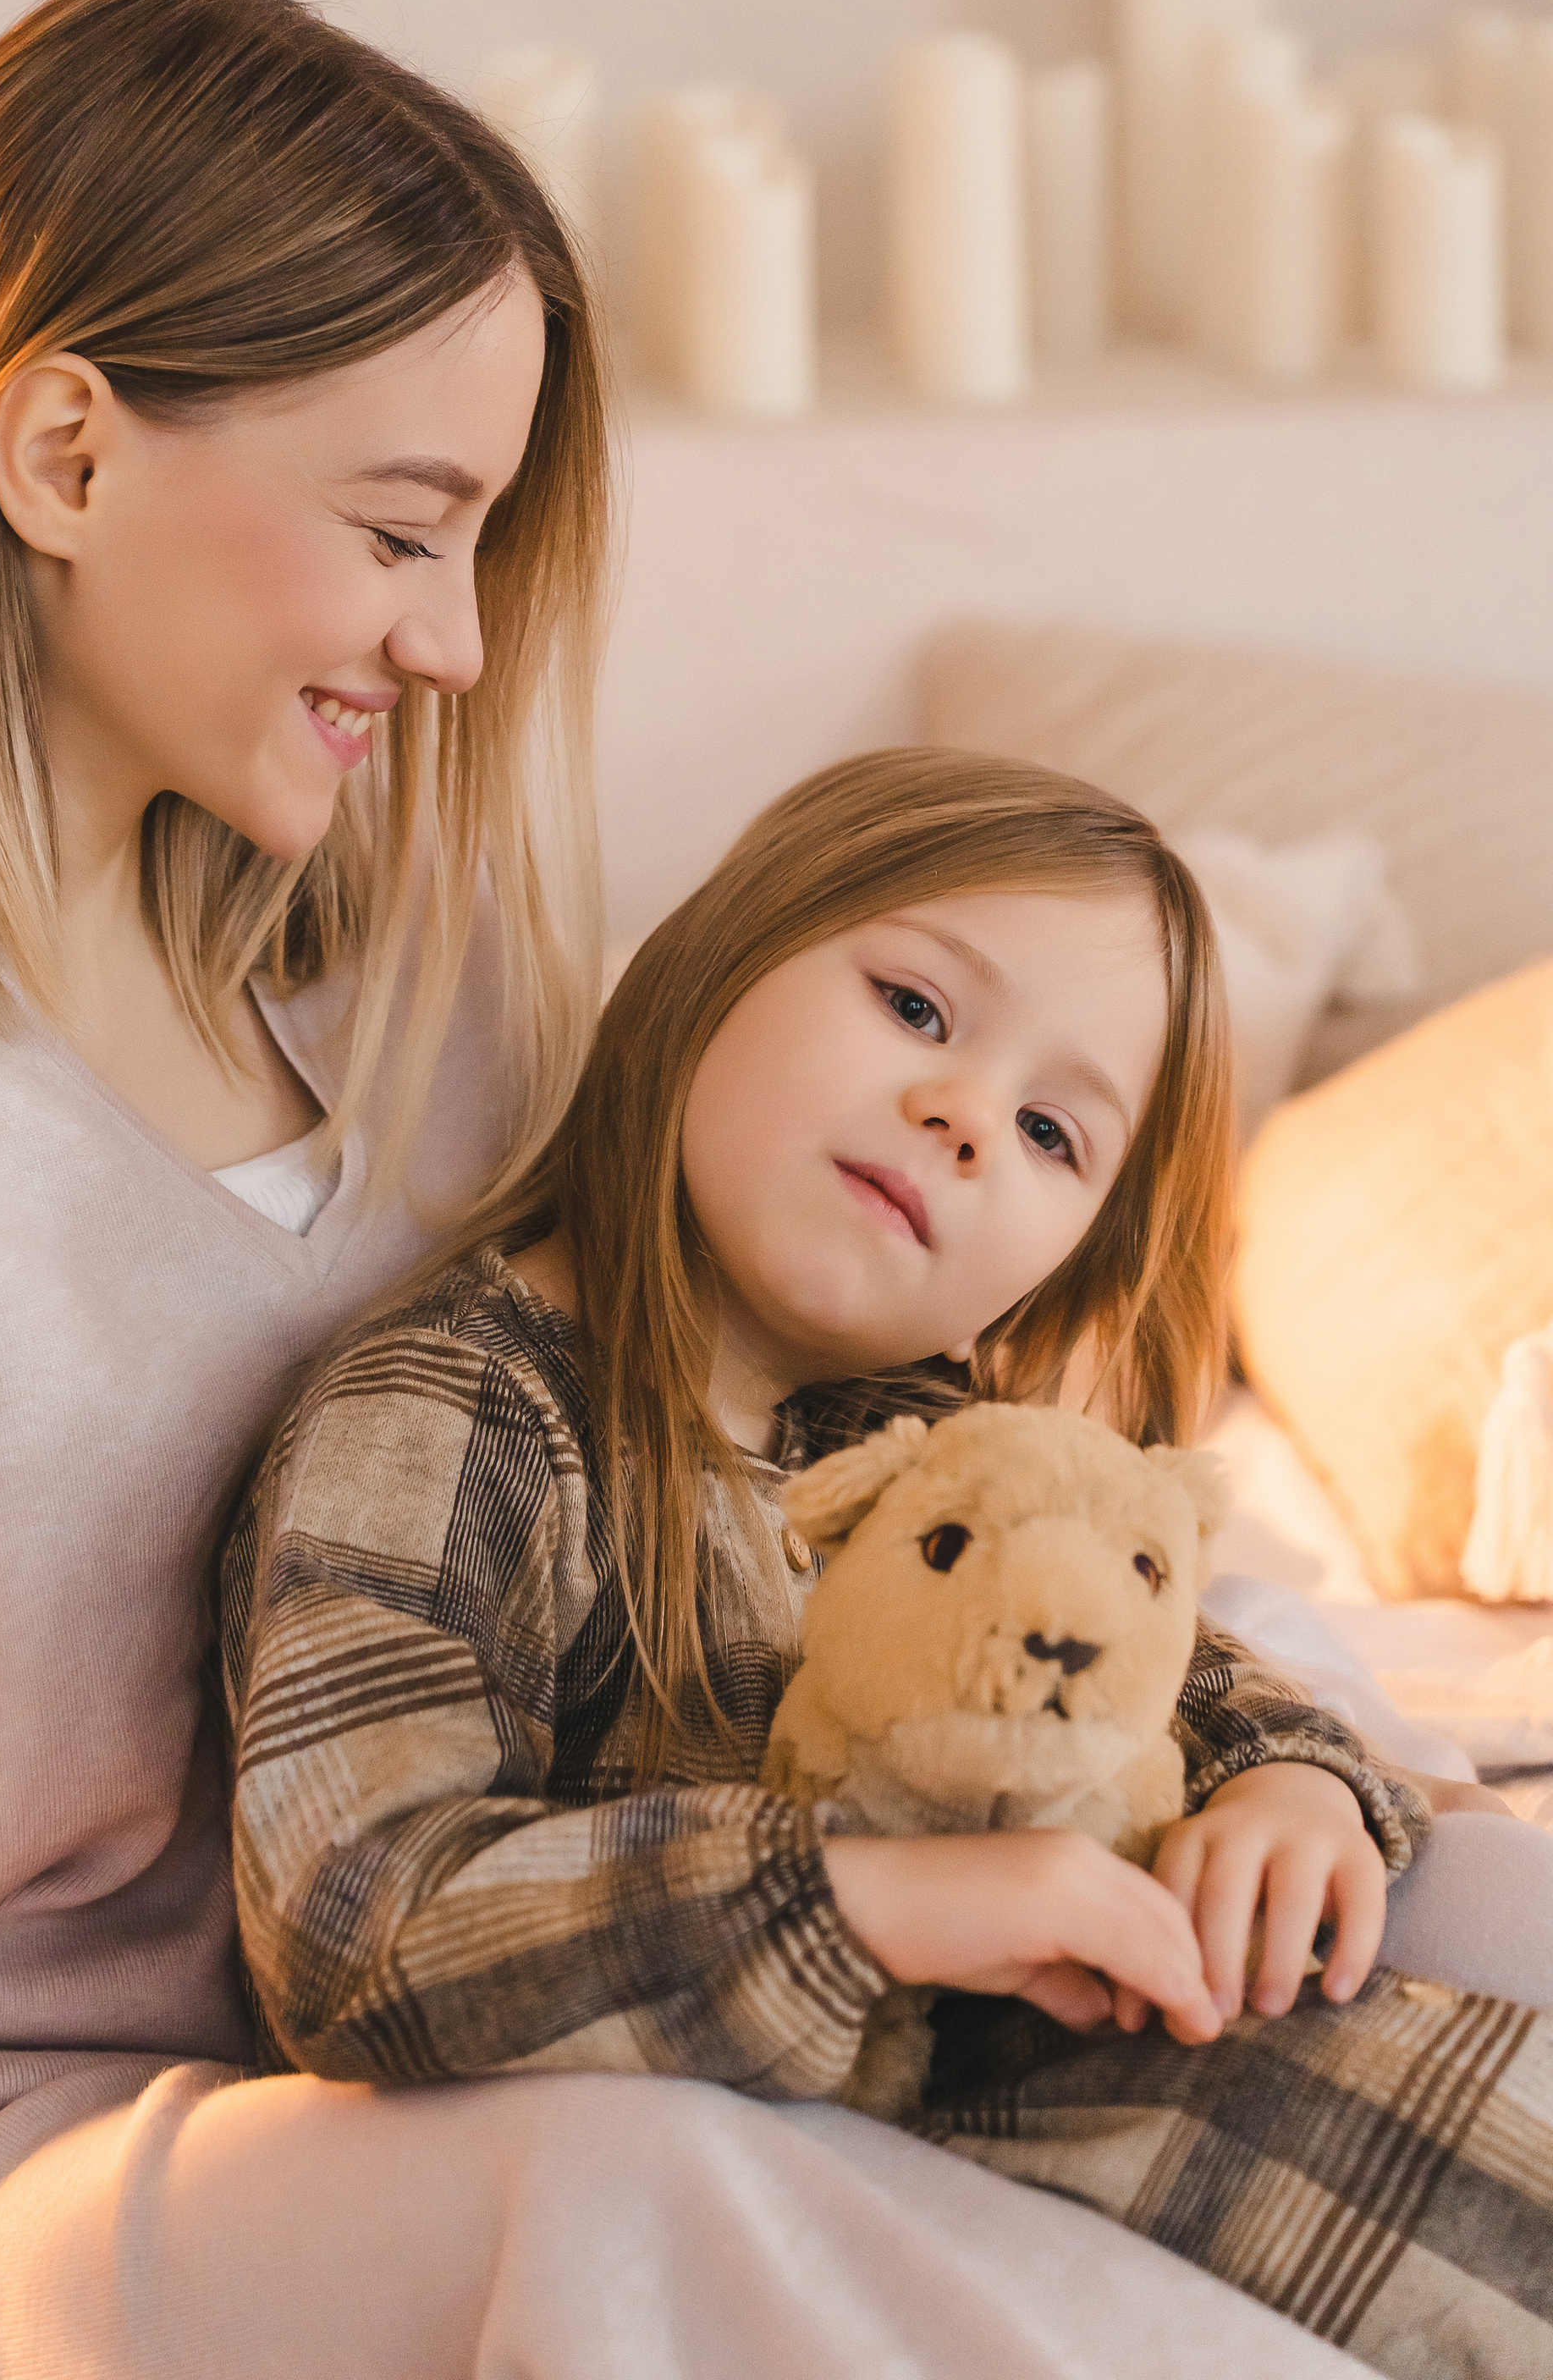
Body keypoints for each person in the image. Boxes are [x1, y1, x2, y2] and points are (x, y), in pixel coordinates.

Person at [0, 0, 1454, 2380]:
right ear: (62, 459)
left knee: (1442, 1916)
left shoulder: (417, 995)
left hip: (454, 2030)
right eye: (401, 530)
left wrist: (1290, 1772)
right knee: (639, 2192)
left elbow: (847, 1485)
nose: (457, 643)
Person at [226, 749, 1553, 2377]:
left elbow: (1157, 1651)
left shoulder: (935, 1437)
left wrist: (1295, 1779)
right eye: (917, 1008)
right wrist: (870, 1898)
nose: (965, 1118)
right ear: (726, 949)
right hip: (818, 2138)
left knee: (1469, 1906)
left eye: (1053, 1131)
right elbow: (350, 1916)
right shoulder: (463, 1408)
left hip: (1071, 2047)